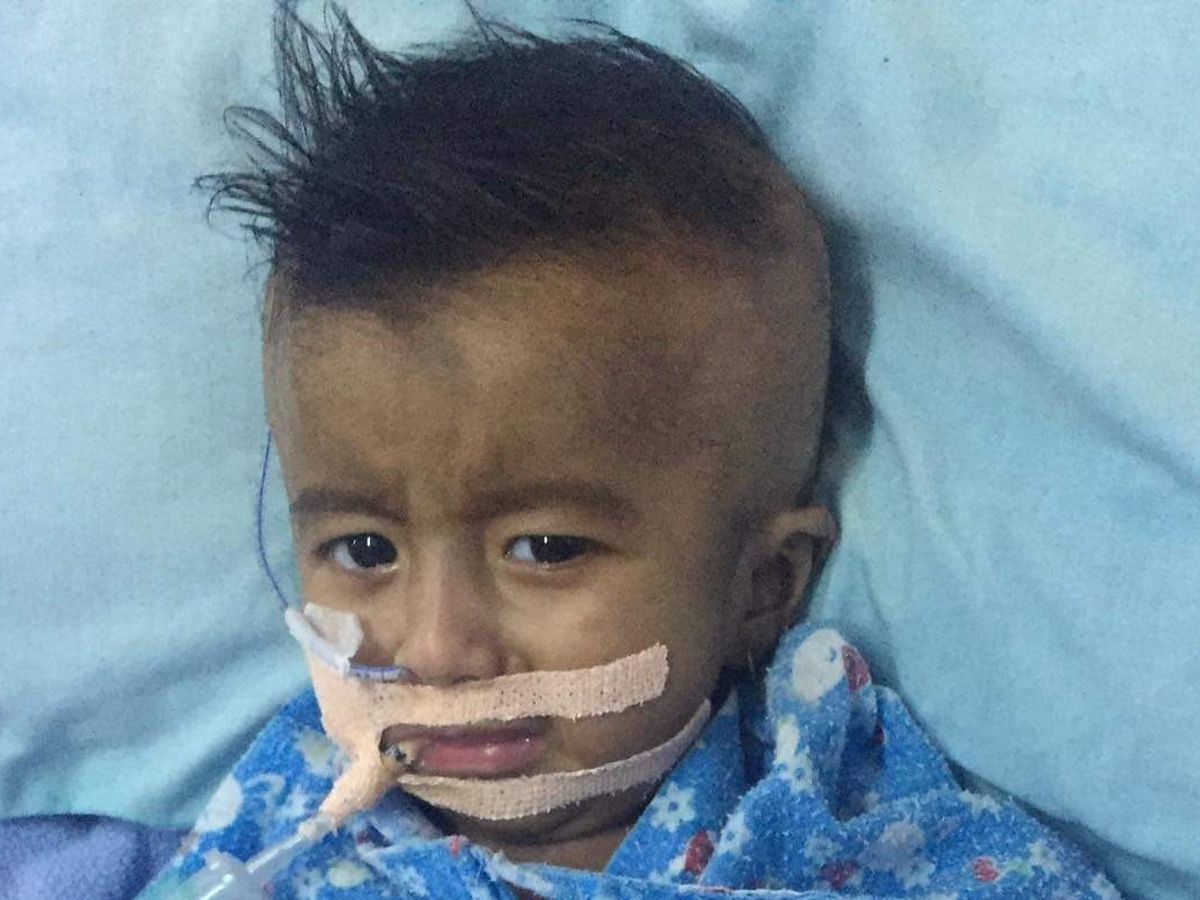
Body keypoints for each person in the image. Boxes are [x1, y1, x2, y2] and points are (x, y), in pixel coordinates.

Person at [170, 4, 1119, 896]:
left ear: (762, 587)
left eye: (545, 548)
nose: (437, 650)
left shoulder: (851, 821)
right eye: (365, 549)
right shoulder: (282, 816)